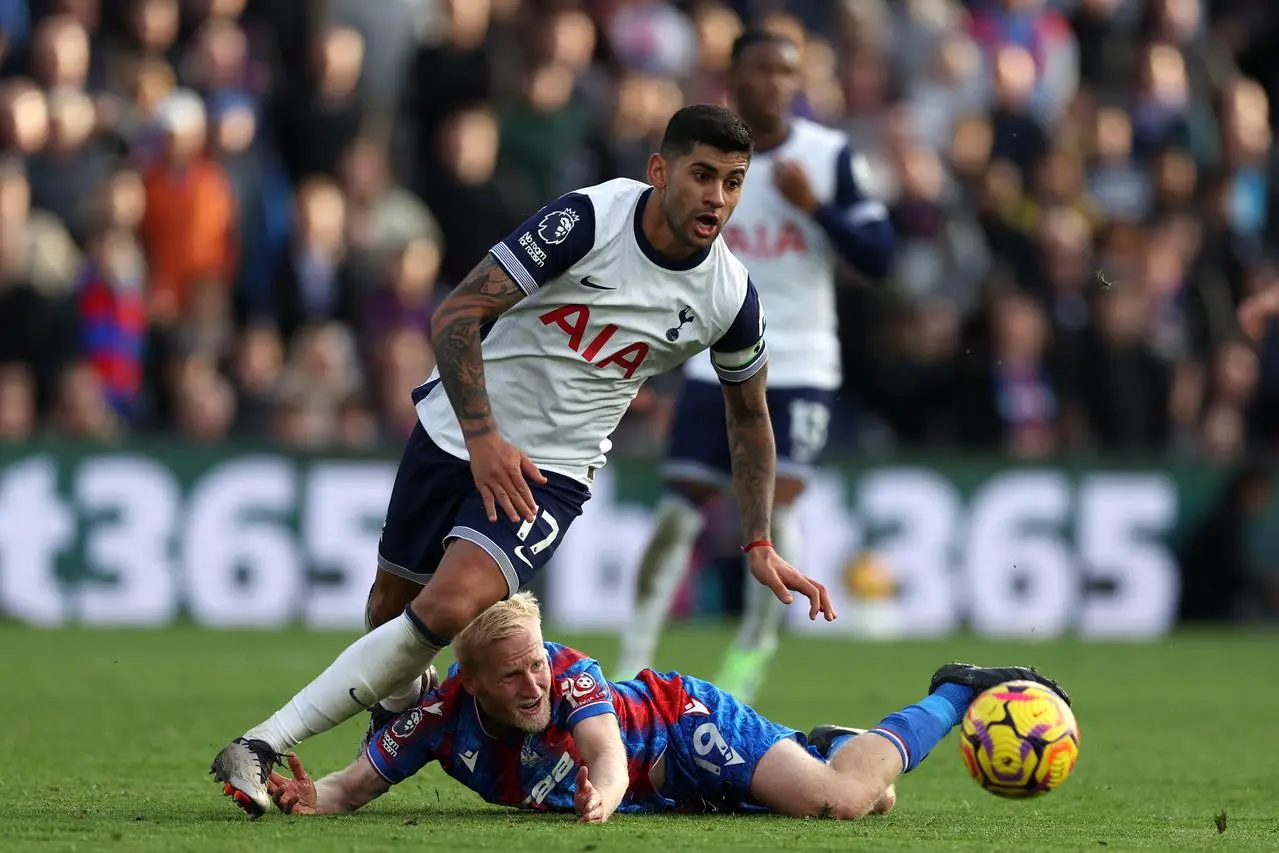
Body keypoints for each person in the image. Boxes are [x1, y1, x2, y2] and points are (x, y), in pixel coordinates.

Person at [210, 104, 838, 818]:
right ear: (659, 171)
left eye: (732, 182)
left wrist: (757, 538)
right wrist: (482, 438)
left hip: (550, 474)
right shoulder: (588, 221)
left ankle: (259, 743)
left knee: (444, 607)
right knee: (390, 611)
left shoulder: (727, 295)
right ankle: (387, 743)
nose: (716, 198)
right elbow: (456, 315)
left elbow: (749, 416)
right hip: (456, 430)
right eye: (701, 175)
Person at [614, 30, 894, 700]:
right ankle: (630, 660)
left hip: (798, 363)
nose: (775, 82)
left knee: (772, 505)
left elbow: (881, 257)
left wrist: (815, 209)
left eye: (787, 71)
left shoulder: (825, 158)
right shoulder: (698, 159)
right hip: (712, 362)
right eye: (762, 69)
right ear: (732, 76)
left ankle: (752, 650)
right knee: (679, 511)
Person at [261, 592, 1070, 821]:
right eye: (512, 677)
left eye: (536, 665)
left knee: (846, 799)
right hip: (666, 795)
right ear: (467, 683)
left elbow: (605, 749)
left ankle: (957, 688)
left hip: (684, 732)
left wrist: (605, 790)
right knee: (874, 788)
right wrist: (310, 796)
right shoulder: (437, 719)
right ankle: (828, 741)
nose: (534, 684)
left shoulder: (571, 675)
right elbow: (352, 786)